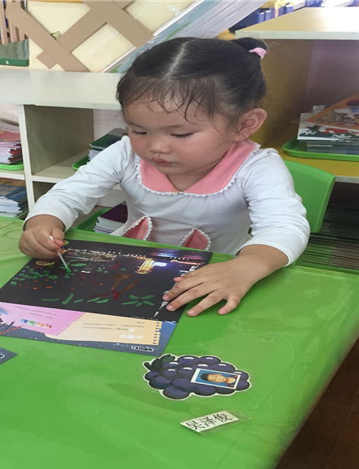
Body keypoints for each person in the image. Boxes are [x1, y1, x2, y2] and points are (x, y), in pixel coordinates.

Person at [20, 37, 310, 317]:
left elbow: (284, 226)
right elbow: (68, 195)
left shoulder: (256, 168)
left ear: (244, 124)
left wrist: (246, 267)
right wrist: (42, 223)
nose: (156, 147)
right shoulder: (125, 153)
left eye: (180, 134)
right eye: (139, 130)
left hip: (217, 276)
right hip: (128, 269)